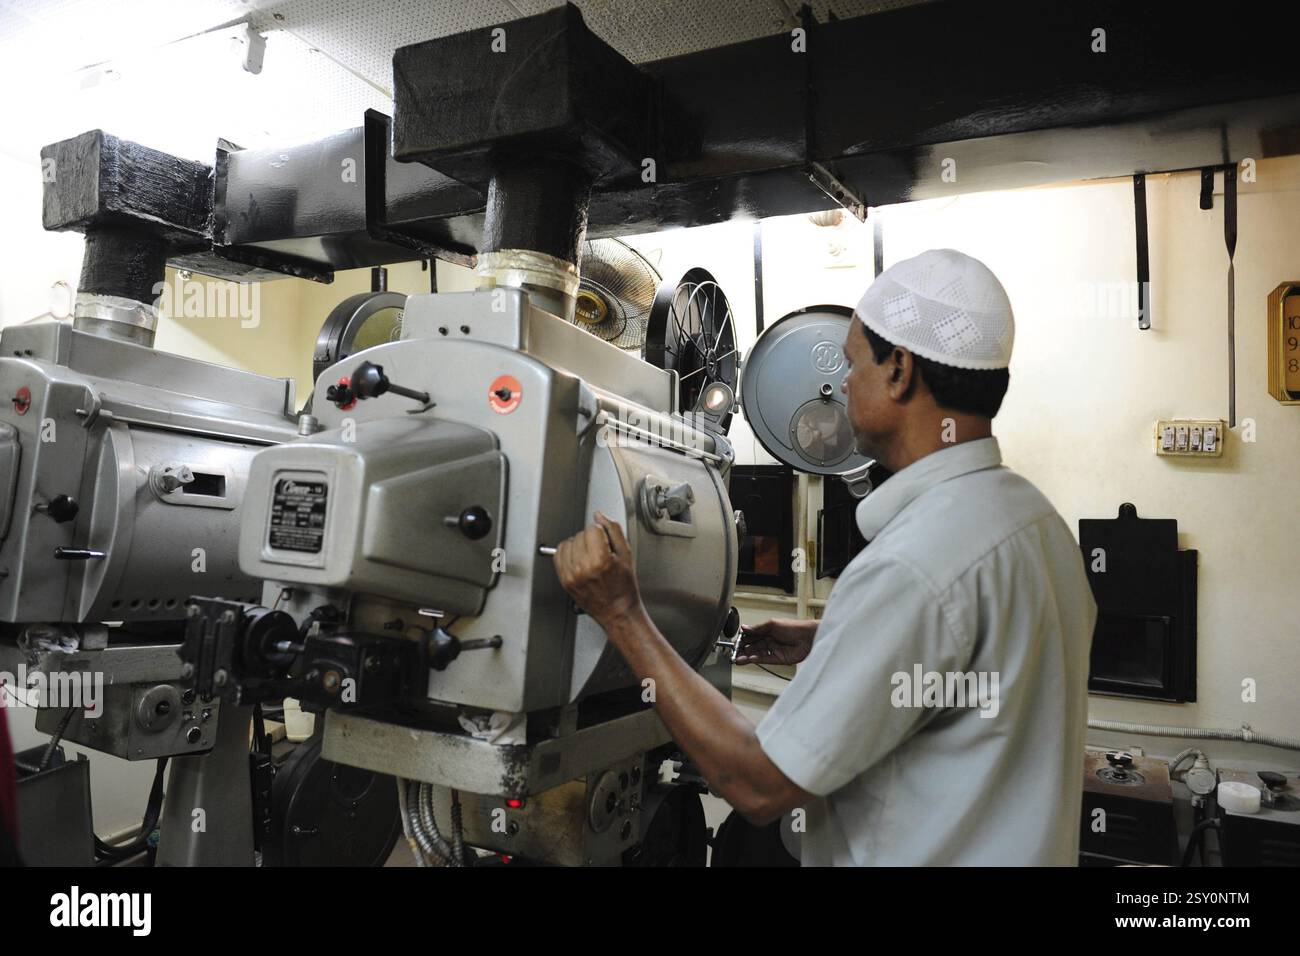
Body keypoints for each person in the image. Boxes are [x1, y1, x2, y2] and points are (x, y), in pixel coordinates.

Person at [555, 248, 1096, 865]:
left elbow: (758, 784)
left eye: (851, 363)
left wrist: (622, 614)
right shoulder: (1036, 524)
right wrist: (835, 634)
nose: (841, 385)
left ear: (900, 371)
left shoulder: (918, 561)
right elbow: (979, 660)